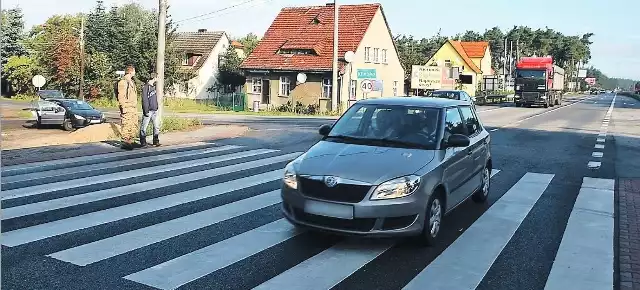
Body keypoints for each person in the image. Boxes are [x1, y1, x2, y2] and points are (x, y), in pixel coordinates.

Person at [117, 65, 139, 150]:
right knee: (126, 124)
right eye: (134, 71)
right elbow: (121, 96)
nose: (135, 72)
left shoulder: (131, 82)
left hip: (133, 107)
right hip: (127, 107)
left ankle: (131, 140)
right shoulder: (123, 82)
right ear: (130, 71)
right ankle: (125, 142)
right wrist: (123, 107)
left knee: (133, 124)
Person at [140, 73, 161, 147]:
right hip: (148, 111)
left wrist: (157, 107)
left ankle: (156, 140)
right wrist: (146, 111)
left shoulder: (153, 87)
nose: (158, 79)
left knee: (156, 126)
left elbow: (154, 98)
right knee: (144, 127)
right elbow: (144, 100)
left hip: (155, 110)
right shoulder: (146, 87)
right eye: (157, 77)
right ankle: (143, 142)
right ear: (154, 78)